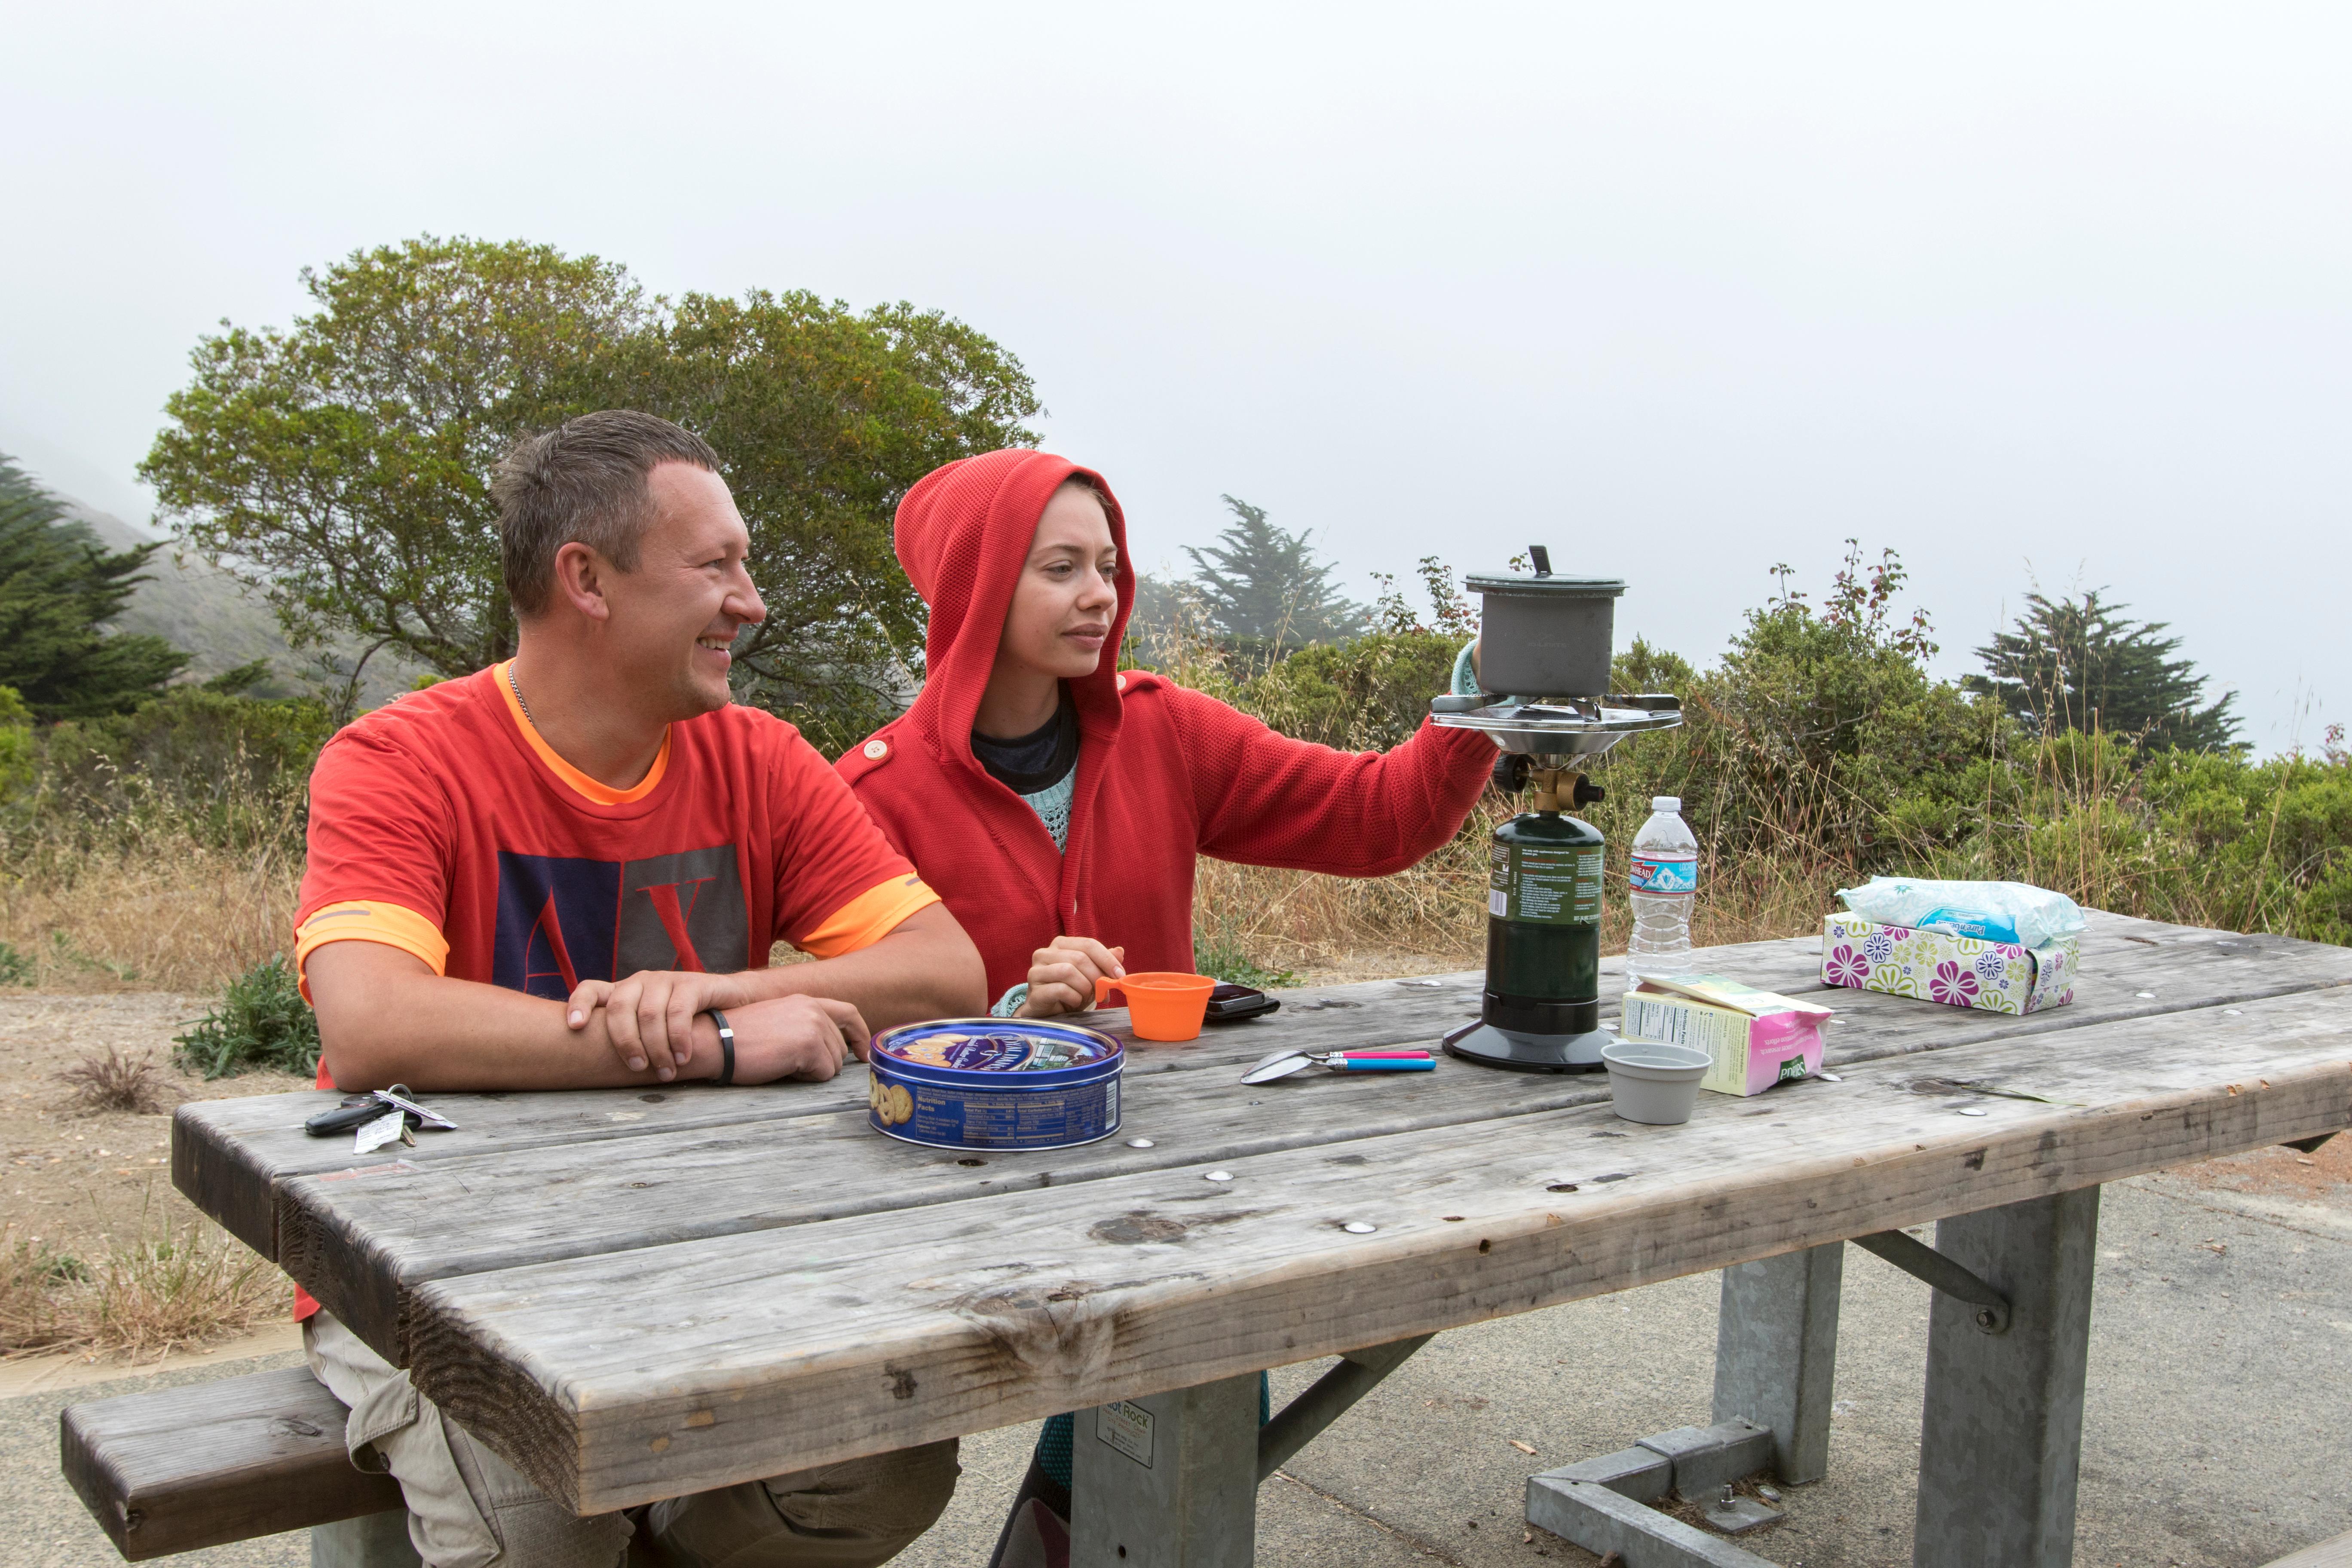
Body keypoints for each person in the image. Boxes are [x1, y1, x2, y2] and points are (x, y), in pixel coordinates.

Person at [292, 410, 987, 1568]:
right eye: (717, 565)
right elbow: (371, 1025)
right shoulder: (398, 760)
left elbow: (944, 971)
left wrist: (715, 992)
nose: (751, 599)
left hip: (701, 1234)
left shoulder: (760, 758)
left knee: (880, 1470)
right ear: (587, 579)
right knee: (542, 1532)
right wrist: (711, 1046)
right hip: (429, 1259)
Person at [844, 446, 1496, 1562]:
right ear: (975, 588)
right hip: (966, 1190)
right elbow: (846, 1035)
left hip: (1161, 1177)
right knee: (1197, 1363)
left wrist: (1482, 696)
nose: (1101, 593)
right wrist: (1012, 1018)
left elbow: (1378, 817)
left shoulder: (1164, 732)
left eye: (1108, 563)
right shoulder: (872, 791)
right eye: (1060, 567)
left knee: (1202, 1353)